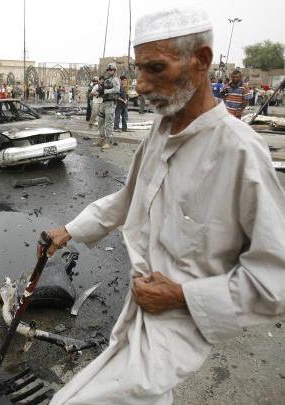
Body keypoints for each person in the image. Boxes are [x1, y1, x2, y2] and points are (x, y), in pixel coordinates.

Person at [44, 7, 285, 405]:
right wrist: (70, 230)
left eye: (155, 68)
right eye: (139, 69)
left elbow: (274, 281)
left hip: (179, 327)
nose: (139, 85)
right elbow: (129, 198)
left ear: (202, 60)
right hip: (140, 312)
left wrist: (183, 297)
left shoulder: (240, 151)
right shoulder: (160, 131)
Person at [95, 63, 120, 149]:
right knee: (100, 121)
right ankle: (102, 139)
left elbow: (117, 89)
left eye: (111, 70)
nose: (110, 71)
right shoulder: (106, 80)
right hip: (104, 102)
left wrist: (105, 91)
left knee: (108, 123)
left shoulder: (116, 80)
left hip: (110, 103)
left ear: (114, 70)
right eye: (109, 70)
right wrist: (100, 91)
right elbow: (102, 89)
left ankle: (109, 142)